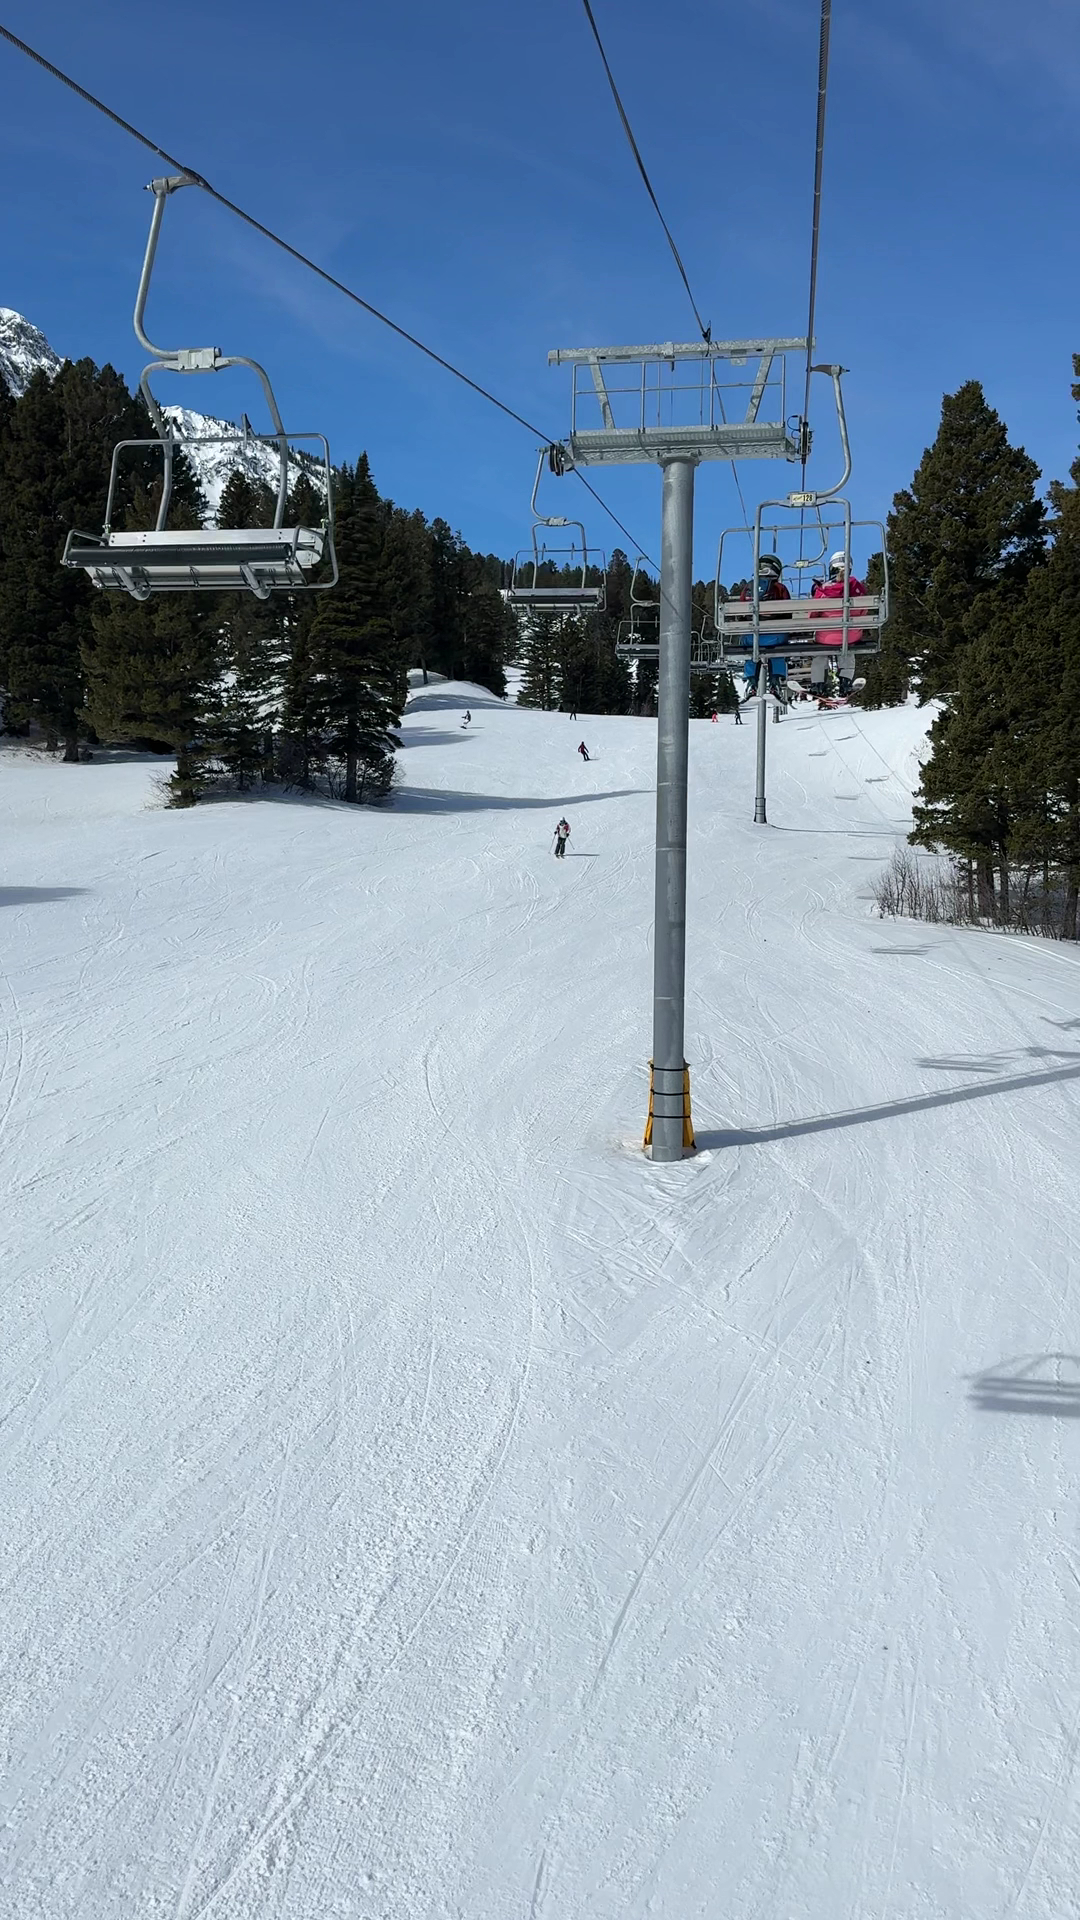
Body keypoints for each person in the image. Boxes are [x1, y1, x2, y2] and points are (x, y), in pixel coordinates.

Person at [810, 551, 866, 649]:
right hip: (851, 637)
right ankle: (848, 664)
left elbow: (813, 616)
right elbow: (863, 611)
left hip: (826, 638)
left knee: (820, 654)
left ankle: (819, 663)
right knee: (848, 650)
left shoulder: (823, 591)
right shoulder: (858, 589)